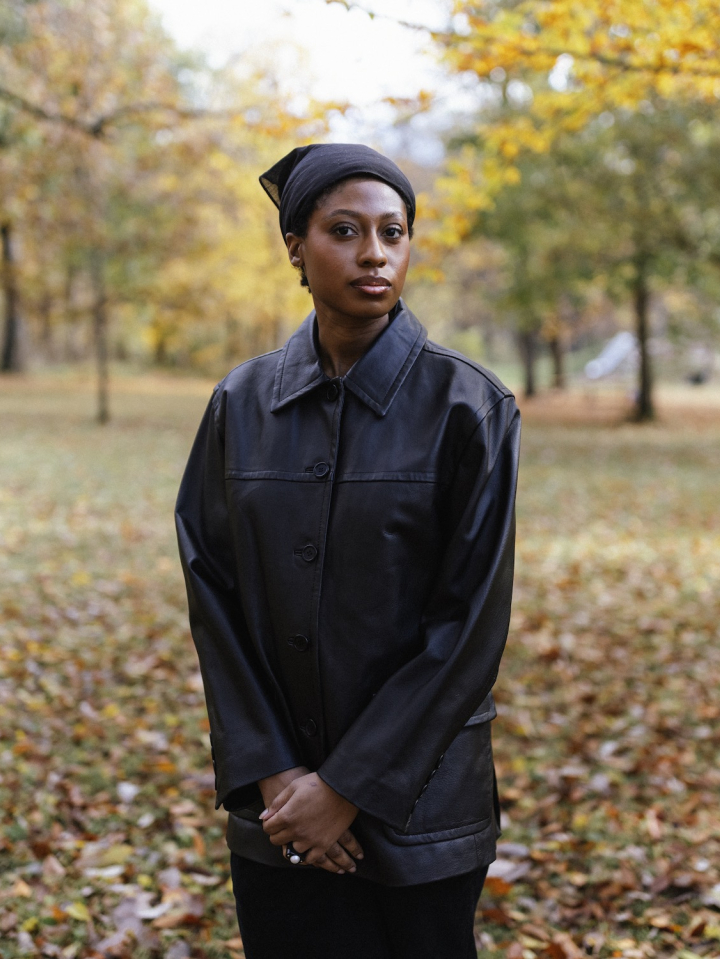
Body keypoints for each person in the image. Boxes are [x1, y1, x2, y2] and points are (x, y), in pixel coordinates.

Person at [175, 143, 520, 959]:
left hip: (423, 811)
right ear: (295, 246)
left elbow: (467, 628)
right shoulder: (239, 402)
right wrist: (278, 781)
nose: (374, 253)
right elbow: (212, 597)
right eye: (344, 230)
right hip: (279, 813)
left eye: (392, 232)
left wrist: (345, 789)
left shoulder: (469, 405)